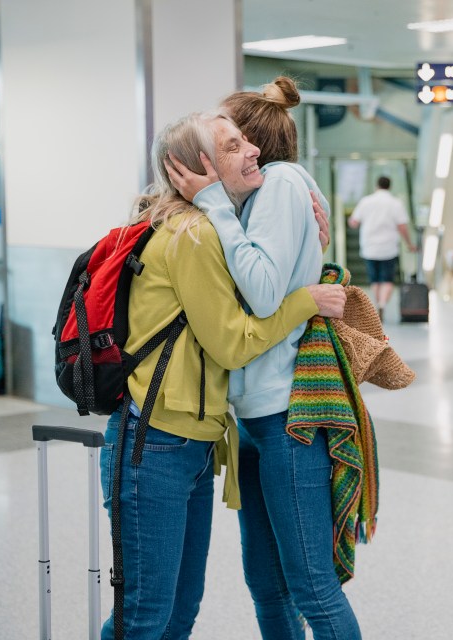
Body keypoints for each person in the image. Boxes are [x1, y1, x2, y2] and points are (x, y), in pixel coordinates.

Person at [100, 110, 347, 640]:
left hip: (193, 441)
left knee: (174, 615)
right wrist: (306, 300)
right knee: (146, 618)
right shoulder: (194, 234)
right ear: (198, 169)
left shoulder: (210, 225)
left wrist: (305, 233)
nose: (253, 151)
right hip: (157, 441)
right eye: (233, 147)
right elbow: (234, 341)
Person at [166, 77, 363, 639]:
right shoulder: (255, 199)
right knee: (266, 584)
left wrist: (213, 206)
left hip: (286, 420)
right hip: (252, 419)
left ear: (251, 144)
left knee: (310, 587)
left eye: (228, 140)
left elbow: (262, 292)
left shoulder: (278, 186)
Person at [348, 176, 418, 320]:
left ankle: (377, 303)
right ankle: (382, 304)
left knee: (375, 280)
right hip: (389, 247)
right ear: (389, 186)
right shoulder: (396, 203)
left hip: (369, 247)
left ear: (376, 186)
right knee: (387, 279)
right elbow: (402, 226)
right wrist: (409, 244)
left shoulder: (366, 201)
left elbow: (353, 222)